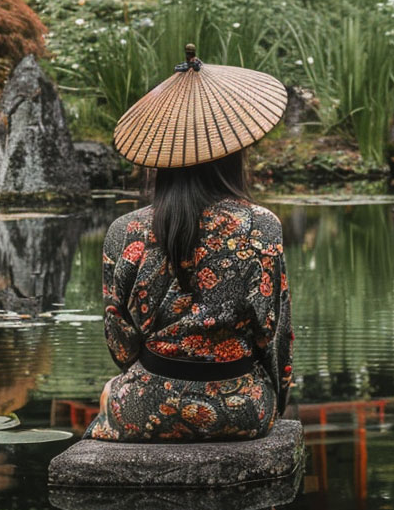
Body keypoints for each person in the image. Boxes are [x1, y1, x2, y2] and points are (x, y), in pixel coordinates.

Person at [84, 45, 292, 443]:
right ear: (232, 151)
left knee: (110, 392)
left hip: (146, 407)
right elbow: (275, 335)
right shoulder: (261, 226)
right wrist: (275, 398)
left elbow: (121, 344)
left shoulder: (124, 231)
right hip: (241, 408)